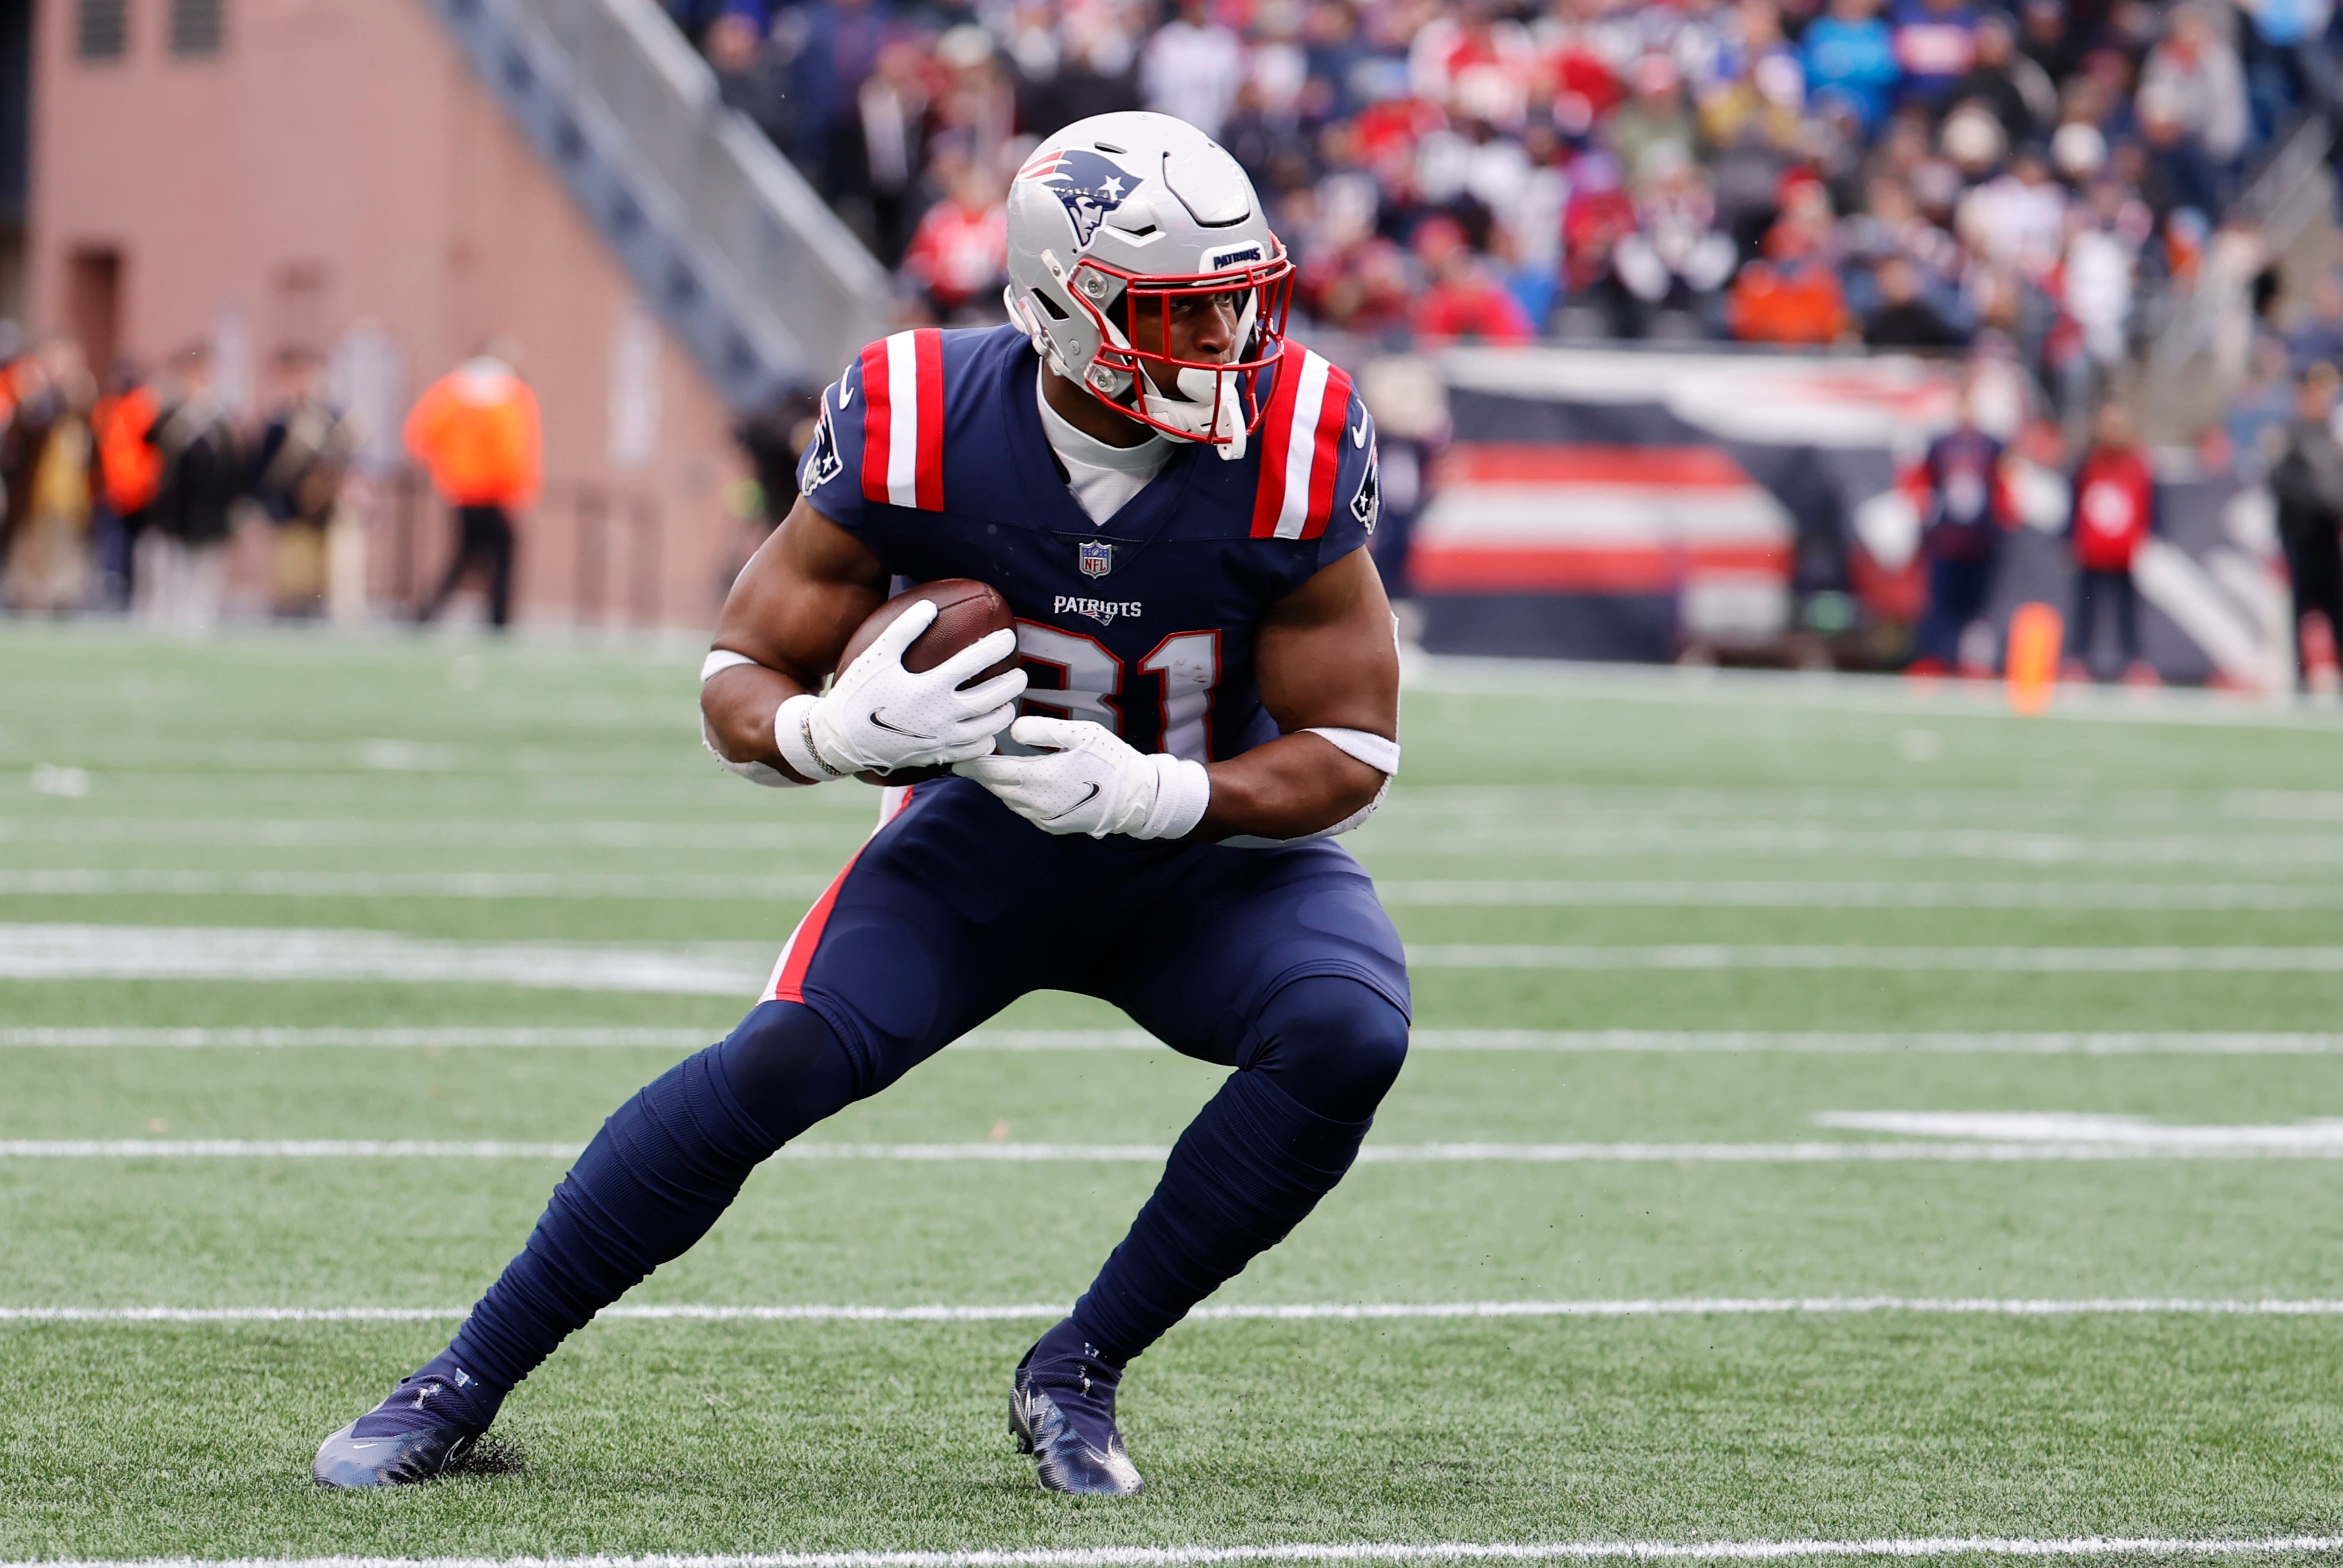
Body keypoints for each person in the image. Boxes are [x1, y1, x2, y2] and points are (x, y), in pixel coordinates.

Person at [313, 111, 1408, 1500]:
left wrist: (1162, 788)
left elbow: (1353, 746)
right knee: (778, 1059)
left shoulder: (1300, 433)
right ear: (1060, 304)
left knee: (1347, 1027)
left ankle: (1080, 1363)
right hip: (985, 844)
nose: (1232, 349)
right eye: (1182, 315)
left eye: (1244, 303)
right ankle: (461, 1377)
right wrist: (823, 730)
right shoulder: (913, 412)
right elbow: (735, 671)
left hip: (1202, 851)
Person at [405, 342, 540, 630]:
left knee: (466, 554)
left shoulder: (451, 391)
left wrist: (450, 466)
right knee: (499, 555)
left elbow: (420, 435)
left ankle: (427, 613)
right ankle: (498, 618)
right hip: (494, 491)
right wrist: (515, 491)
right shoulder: (510, 394)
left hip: (460, 488)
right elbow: (513, 450)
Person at [139, 344, 246, 633]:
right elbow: (151, 441)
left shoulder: (221, 418)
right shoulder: (171, 412)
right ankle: (163, 618)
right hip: (174, 508)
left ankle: (199, 620)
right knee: (169, 567)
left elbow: (235, 462)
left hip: (209, 509)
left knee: (206, 570)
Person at [1906, 382, 2009, 675]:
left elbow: (2003, 485)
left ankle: (1973, 662)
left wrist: (2001, 522)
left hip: (1981, 537)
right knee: (1940, 603)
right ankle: (1935, 659)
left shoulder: (1991, 445)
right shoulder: (1940, 444)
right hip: (1947, 537)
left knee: (1978, 607)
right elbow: (1923, 483)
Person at [251, 348, 359, 618]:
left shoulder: (326, 415)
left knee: (321, 572)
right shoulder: (278, 419)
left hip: (322, 507)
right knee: (292, 571)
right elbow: (266, 466)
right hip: (290, 506)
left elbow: (343, 453)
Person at [2063, 401, 2159, 683]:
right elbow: (2075, 505)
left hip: (2125, 552)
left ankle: (2135, 663)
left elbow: (2151, 504)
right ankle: (2078, 660)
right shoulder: (2089, 463)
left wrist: (2149, 539)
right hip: (2093, 551)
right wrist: (2071, 539)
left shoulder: (2138, 463)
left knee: (2128, 611)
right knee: (2086, 609)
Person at [2267, 361, 2343, 688]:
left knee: (2336, 606)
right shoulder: (2291, 434)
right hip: (2301, 534)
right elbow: (2281, 482)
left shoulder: (2331, 434)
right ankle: (2300, 675)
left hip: (2328, 535)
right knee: (2301, 606)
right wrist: (2321, 501)